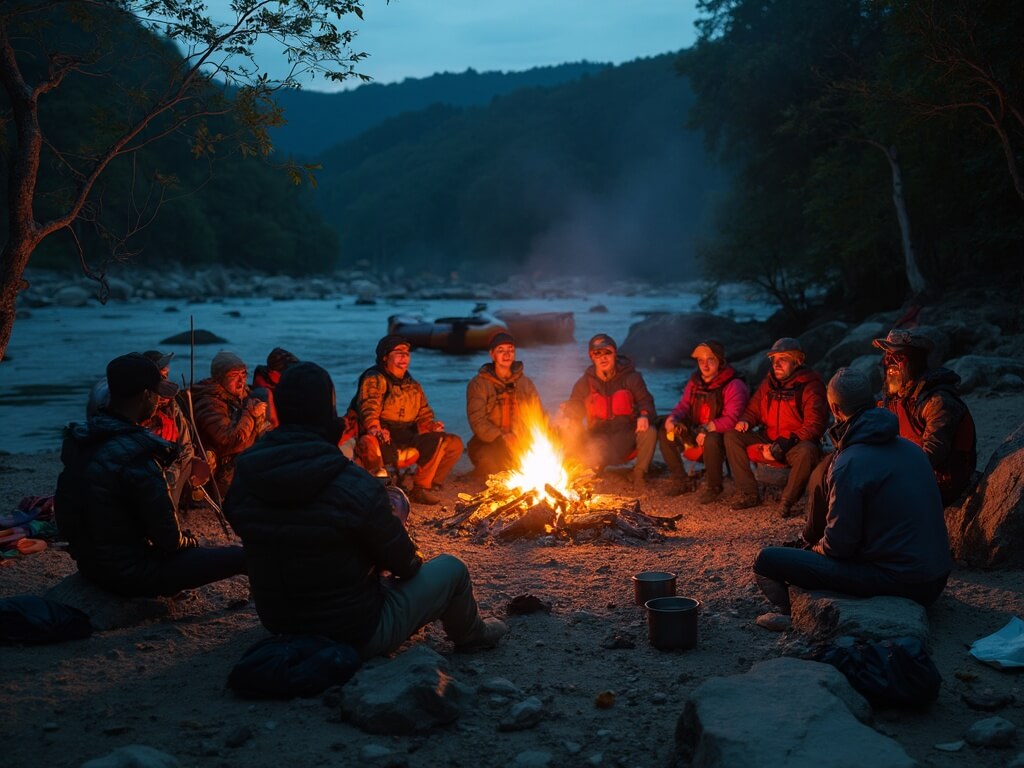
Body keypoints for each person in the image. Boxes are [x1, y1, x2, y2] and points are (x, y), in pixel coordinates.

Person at [225, 361, 506, 657]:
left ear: (279, 410)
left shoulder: (245, 474)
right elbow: (407, 566)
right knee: (453, 569)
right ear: (327, 413)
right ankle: (473, 635)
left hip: (279, 623)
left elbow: (245, 521)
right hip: (354, 631)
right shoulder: (351, 483)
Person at [752, 368, 951, 614]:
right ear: (872, 400)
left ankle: (799, 613)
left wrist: (812, 551)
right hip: (937, 577)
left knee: (765, 560)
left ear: (835, 410)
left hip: (902, 582)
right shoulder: (912, 449)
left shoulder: (849, 463)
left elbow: (839, 548)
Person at [54, 353, 246, 597]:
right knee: (241, 556)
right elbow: (170, 541)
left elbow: (65, 518)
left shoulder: (80, 440)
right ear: (146, 395)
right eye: (157, 393)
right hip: (132, 573)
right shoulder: (139, 455)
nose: (160, 400)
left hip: (90, 565)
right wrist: (193, 543)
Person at [353, 335, 464, 505]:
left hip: (406, 434)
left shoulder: (413, 385)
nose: (404, 356)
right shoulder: (375, 378)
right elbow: (369, 407)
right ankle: (382, 487)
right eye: (398, 352)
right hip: (383, 432)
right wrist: (374, 427)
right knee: (370, 442)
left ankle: (421, 488)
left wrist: (431, 425)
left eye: (407, 352)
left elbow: (424, 413)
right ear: (385, 357)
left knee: (443, 440)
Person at [723, 338, 828, 516]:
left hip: (794, 443)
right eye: (774, 359)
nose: (776, 364)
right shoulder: (768, 384)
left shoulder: (810, 386)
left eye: (783, 359)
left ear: (797, 361)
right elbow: (752, 410)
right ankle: (749, 493)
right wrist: (746, 421)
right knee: (732, 436)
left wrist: (784, 443)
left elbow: (814, 425)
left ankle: (787, 501)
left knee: (807, 451)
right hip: (769, 436)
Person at [873, 328, 977, 505]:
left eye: (898, 357)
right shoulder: (894, 398)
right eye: (888, 356)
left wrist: (894, 472)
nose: (890, 362)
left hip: (942, 481)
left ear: (915, 360)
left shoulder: (937, 401)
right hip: (911, 470)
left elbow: (933, 451)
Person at [556, 333, 657, 489]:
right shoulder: (585, 382)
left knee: (649, 431)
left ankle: (639, 474)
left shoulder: (631, 378)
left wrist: (644, 415)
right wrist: (567, 413)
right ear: (592, 357)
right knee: (568, 426)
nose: (603, 358)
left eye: (607, 352)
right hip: (596, 440)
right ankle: (573, 470)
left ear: (615, 354)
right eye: (597, 353)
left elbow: (647, 402)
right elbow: (576, 405)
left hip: (626, 437)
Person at [658, 340, 748, 501]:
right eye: (701, 361)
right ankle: (681, 480)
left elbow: (732, 418)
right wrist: (673, 418)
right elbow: (684, 405)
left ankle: (714, 487)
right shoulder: (695, 383)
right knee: (666, 430)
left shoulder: (734, 384)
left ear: (720, 361)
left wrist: (708, 428)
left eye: (710, 360)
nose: (705, 366)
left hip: (720, 436)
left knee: (712, 439)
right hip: (697, 430)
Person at [192, 351, 270, 495]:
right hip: (222, 475)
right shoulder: (209, 403)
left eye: (243, 375)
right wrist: (249, 413)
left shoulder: (243, 396)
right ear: (219, 378)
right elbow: (229, 440)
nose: (241, 381)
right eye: (234, 376)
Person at [465, 332, 542, 477]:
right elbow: (477, 420)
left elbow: (537, 415)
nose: (507, 354)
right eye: (501, 350)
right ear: (492, 355)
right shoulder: (479, 384)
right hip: (489, 442)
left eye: (510, 350)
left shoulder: (525, 383)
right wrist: (502, 437)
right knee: (493, 466)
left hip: (520, 440)